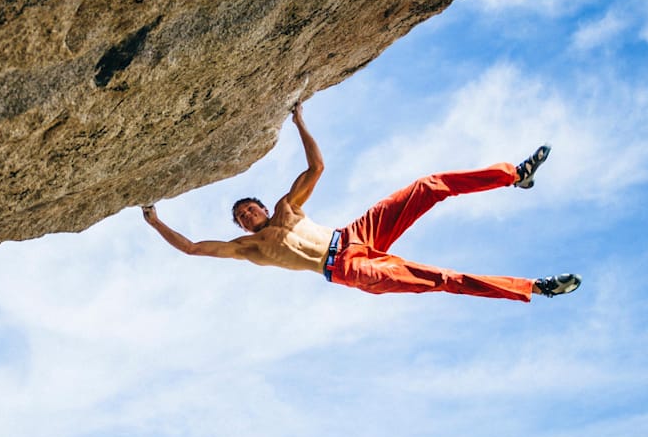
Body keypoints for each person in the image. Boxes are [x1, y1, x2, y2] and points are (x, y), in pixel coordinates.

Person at [140, 103, 580, 302]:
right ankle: (535, 287)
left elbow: (316, 168)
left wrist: (299, 120)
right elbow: (194, 248)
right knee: (441, 278)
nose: (247, 216)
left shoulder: (285, 208)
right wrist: (154, 219)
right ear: (240, 228)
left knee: (427, 185)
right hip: (347, 268)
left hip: (355, 235)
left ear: (260, 206)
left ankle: (514, 176)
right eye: (240, 217)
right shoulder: (248, 248)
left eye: (248, 208)